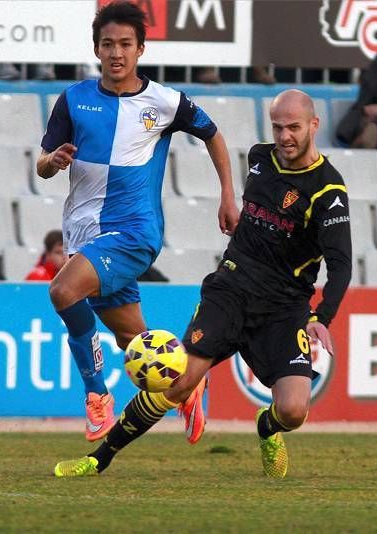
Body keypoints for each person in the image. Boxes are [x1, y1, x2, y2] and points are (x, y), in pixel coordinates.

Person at [54, 89, 353, 479]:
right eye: (278, 127)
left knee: (294, 411)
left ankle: (267, 427)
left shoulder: (328, 191)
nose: (284, 137)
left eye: (294, 128)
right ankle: (99, 458)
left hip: (284, 307)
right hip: (230, 290)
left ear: (314, 125)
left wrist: (322, 317)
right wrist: (230, 204)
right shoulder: (261, 159)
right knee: (177, 384)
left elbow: (341, 264)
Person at [36, 1, 238, 443]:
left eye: (125, 44)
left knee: (63, 290)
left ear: (141, 49)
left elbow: (214, 134)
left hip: (133, 233)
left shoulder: (164, 102)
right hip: (84, 234)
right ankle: (186, 387)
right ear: (96, 49)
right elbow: (42, 165)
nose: (116, 53)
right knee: (137, 344)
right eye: (108, 44)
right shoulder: (73, 99)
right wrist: (52, 160)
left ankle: (97, 398)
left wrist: (228, 195)